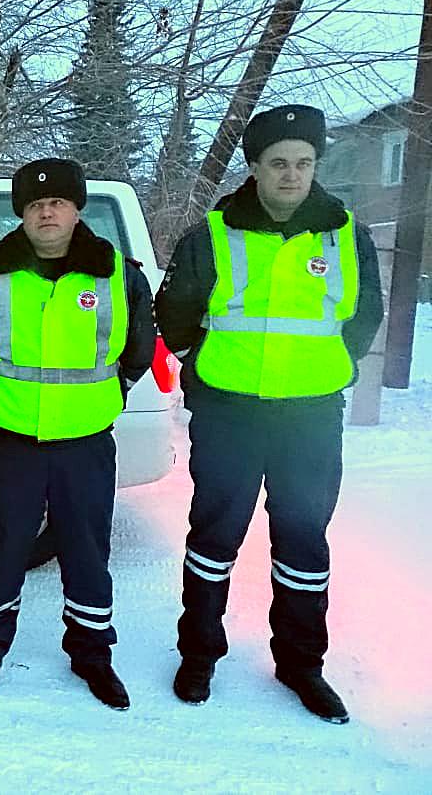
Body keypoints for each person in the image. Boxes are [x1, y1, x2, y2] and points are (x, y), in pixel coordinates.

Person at [154, 105, 383, 724]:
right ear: (255, 168)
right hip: (230, 411)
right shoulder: (213, 233)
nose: (291, 174)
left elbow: (364, 316)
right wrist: (204, 371)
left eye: (303, 163)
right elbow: (174, 313)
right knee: (214, 537)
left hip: (310, 415)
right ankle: (199, 653)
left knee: (304, 540)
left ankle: (302, 665)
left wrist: (327, 368)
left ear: (315, 167)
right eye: (278, 163)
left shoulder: (345, 235)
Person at [0, 158, 156, 709]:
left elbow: (137, 349)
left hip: (84, 441)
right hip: (9, 440)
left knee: (87, 552)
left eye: (58, 202)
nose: (47, 211)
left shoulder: (119, 274)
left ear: (76, 208)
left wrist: (107, 397)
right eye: (36, 204)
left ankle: (92, 653)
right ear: (22, 212)